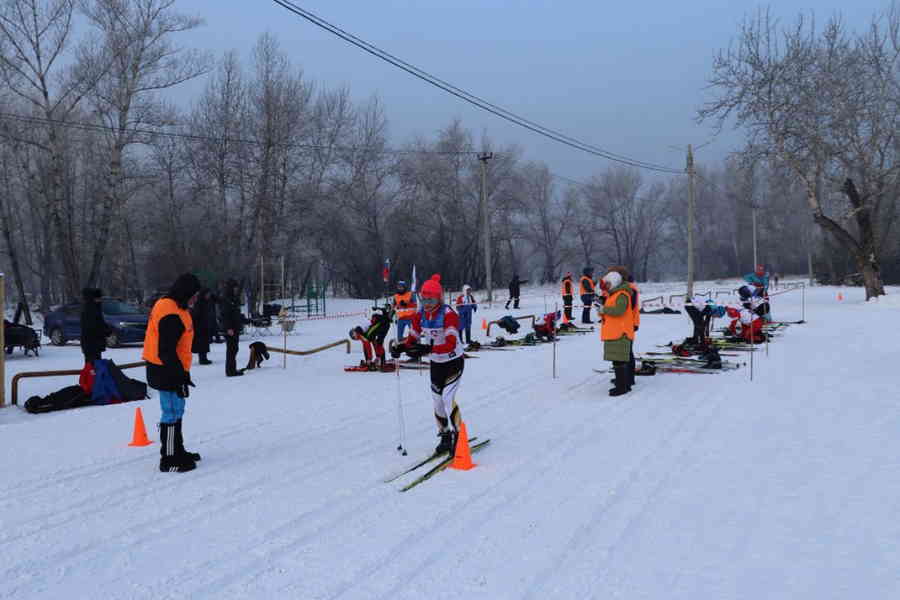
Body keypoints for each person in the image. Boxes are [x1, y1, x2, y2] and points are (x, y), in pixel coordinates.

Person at [391, 274, 465, 455]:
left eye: (431, 300)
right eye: (424, 300)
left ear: (439, 298)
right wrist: (400, 347)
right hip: (436, 363)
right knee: (437, 401)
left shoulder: (449, 314)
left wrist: (426, 350)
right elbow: (413, 338)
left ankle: (459, 435)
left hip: (453, 360)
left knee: (447, 398)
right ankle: (445, 435)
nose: (427, 304)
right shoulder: (419, 315)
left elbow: (449, 343)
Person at [142, 273, 202, 473]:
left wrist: (183, 374)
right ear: (185, 292)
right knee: (170, 412)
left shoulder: (177, 306)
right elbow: (166, 350)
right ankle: (168, 458)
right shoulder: (170, 312)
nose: (195, 299)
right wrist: (180, 377)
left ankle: (178, 450)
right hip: (165, 370)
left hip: (172, 369)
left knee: (177, 409)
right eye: (194, 295)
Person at [596, 269, 635, 396]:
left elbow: (619, 310)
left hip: (620, 332)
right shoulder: (614, 294)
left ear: (614, 282)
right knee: (617, 360)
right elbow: (610, 311)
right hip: (614, 332)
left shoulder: (622, 294)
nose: (606, 286)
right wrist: (601, 308)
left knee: (620, 361)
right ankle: (623, 384)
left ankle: (622, 387)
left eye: (607, 284)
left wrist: (604, 309)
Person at [349, 305, 392, 370]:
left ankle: (382, 362)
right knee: (378, 342)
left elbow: (367, 346)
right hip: (384, 324)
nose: (355, 338)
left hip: (380, 323)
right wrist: (376, 357)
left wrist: (368, 359)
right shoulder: (362, 334)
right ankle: (382, 361)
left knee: (377, 342)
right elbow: (370, 345)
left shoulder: (360, 333)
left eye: (354, 337)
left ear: (354, 333)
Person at [220, 279, 244, 377]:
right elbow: (225, 315)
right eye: (234, 287)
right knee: (231, 349)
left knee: (234, 349)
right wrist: (228, 328)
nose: (236, 289)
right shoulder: (226, 299)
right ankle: (230, 371)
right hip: (230, 329)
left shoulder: (234, 298)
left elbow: (236, 313)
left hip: (235, 327)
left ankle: (232, 369)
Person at [80, 288, 110, 364]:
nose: (100, 300)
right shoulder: (91, 310)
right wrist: (106, 331)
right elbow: (95, 326)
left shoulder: (92, 308)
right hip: (92, 343)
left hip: (92, 343)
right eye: (98, 298)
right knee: (93, 366)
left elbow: (99, 323)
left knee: (94, 365)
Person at [191, 288, 213, 365]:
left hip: (204, 325)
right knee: (201, 343)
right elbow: (196, 314)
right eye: (207, 294)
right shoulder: (199, 303)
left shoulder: (205, 302)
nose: (209, 296)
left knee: (204, 343)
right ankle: (202, 359)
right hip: (200, 326)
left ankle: (204, 358)